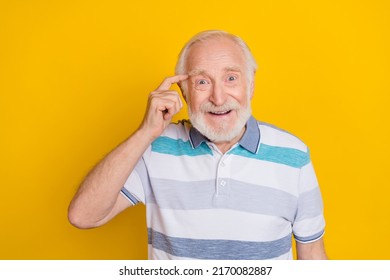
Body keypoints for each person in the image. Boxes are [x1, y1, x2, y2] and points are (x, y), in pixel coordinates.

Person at [68, 30, 327, 260]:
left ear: (251, 84)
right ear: (183, 91)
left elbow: (313, 255)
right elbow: (83, 216)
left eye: (231, 78)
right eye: (202, 82)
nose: (218, 97)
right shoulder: (156, 146)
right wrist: (145, 133)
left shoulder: (294, 155)